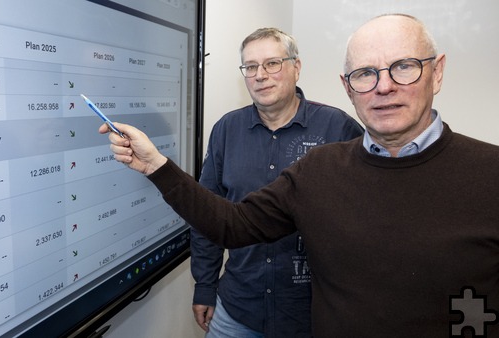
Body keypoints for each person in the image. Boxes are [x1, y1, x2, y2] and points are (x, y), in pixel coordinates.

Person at [100, 14, 499, 337]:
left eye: (404, 67)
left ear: (437, 72)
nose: (384, 86)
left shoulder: (488, 174)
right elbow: (230, 223)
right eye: (365, 73)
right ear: (348, 86)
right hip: (242, 306)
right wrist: (156, 165)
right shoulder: (320, 167)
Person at [190, 27, 363, 338]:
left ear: (296, 67)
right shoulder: (227, 130)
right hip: (238, 308)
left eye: (272, 63)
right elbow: (207, 213)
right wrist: (204, 285)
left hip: (310, 313)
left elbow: (367, 218)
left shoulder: (337, 128)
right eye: (251, 67)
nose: (260, 75)